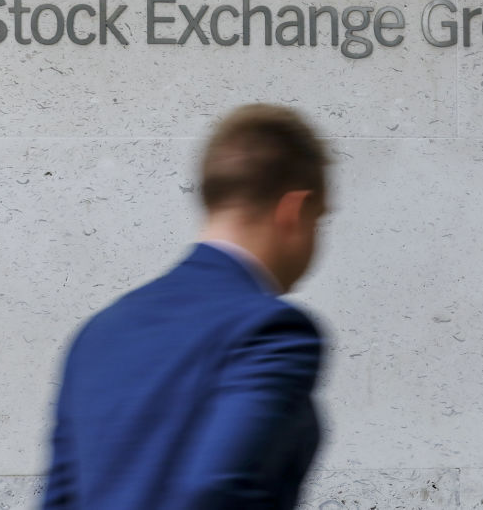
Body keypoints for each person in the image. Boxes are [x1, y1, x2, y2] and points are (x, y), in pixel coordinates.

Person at [42, 103, 330, 510]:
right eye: (320, 220)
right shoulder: (271, 331)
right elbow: (223, 493)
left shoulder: (101, 332)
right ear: (293, 211)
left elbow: (60, 500)